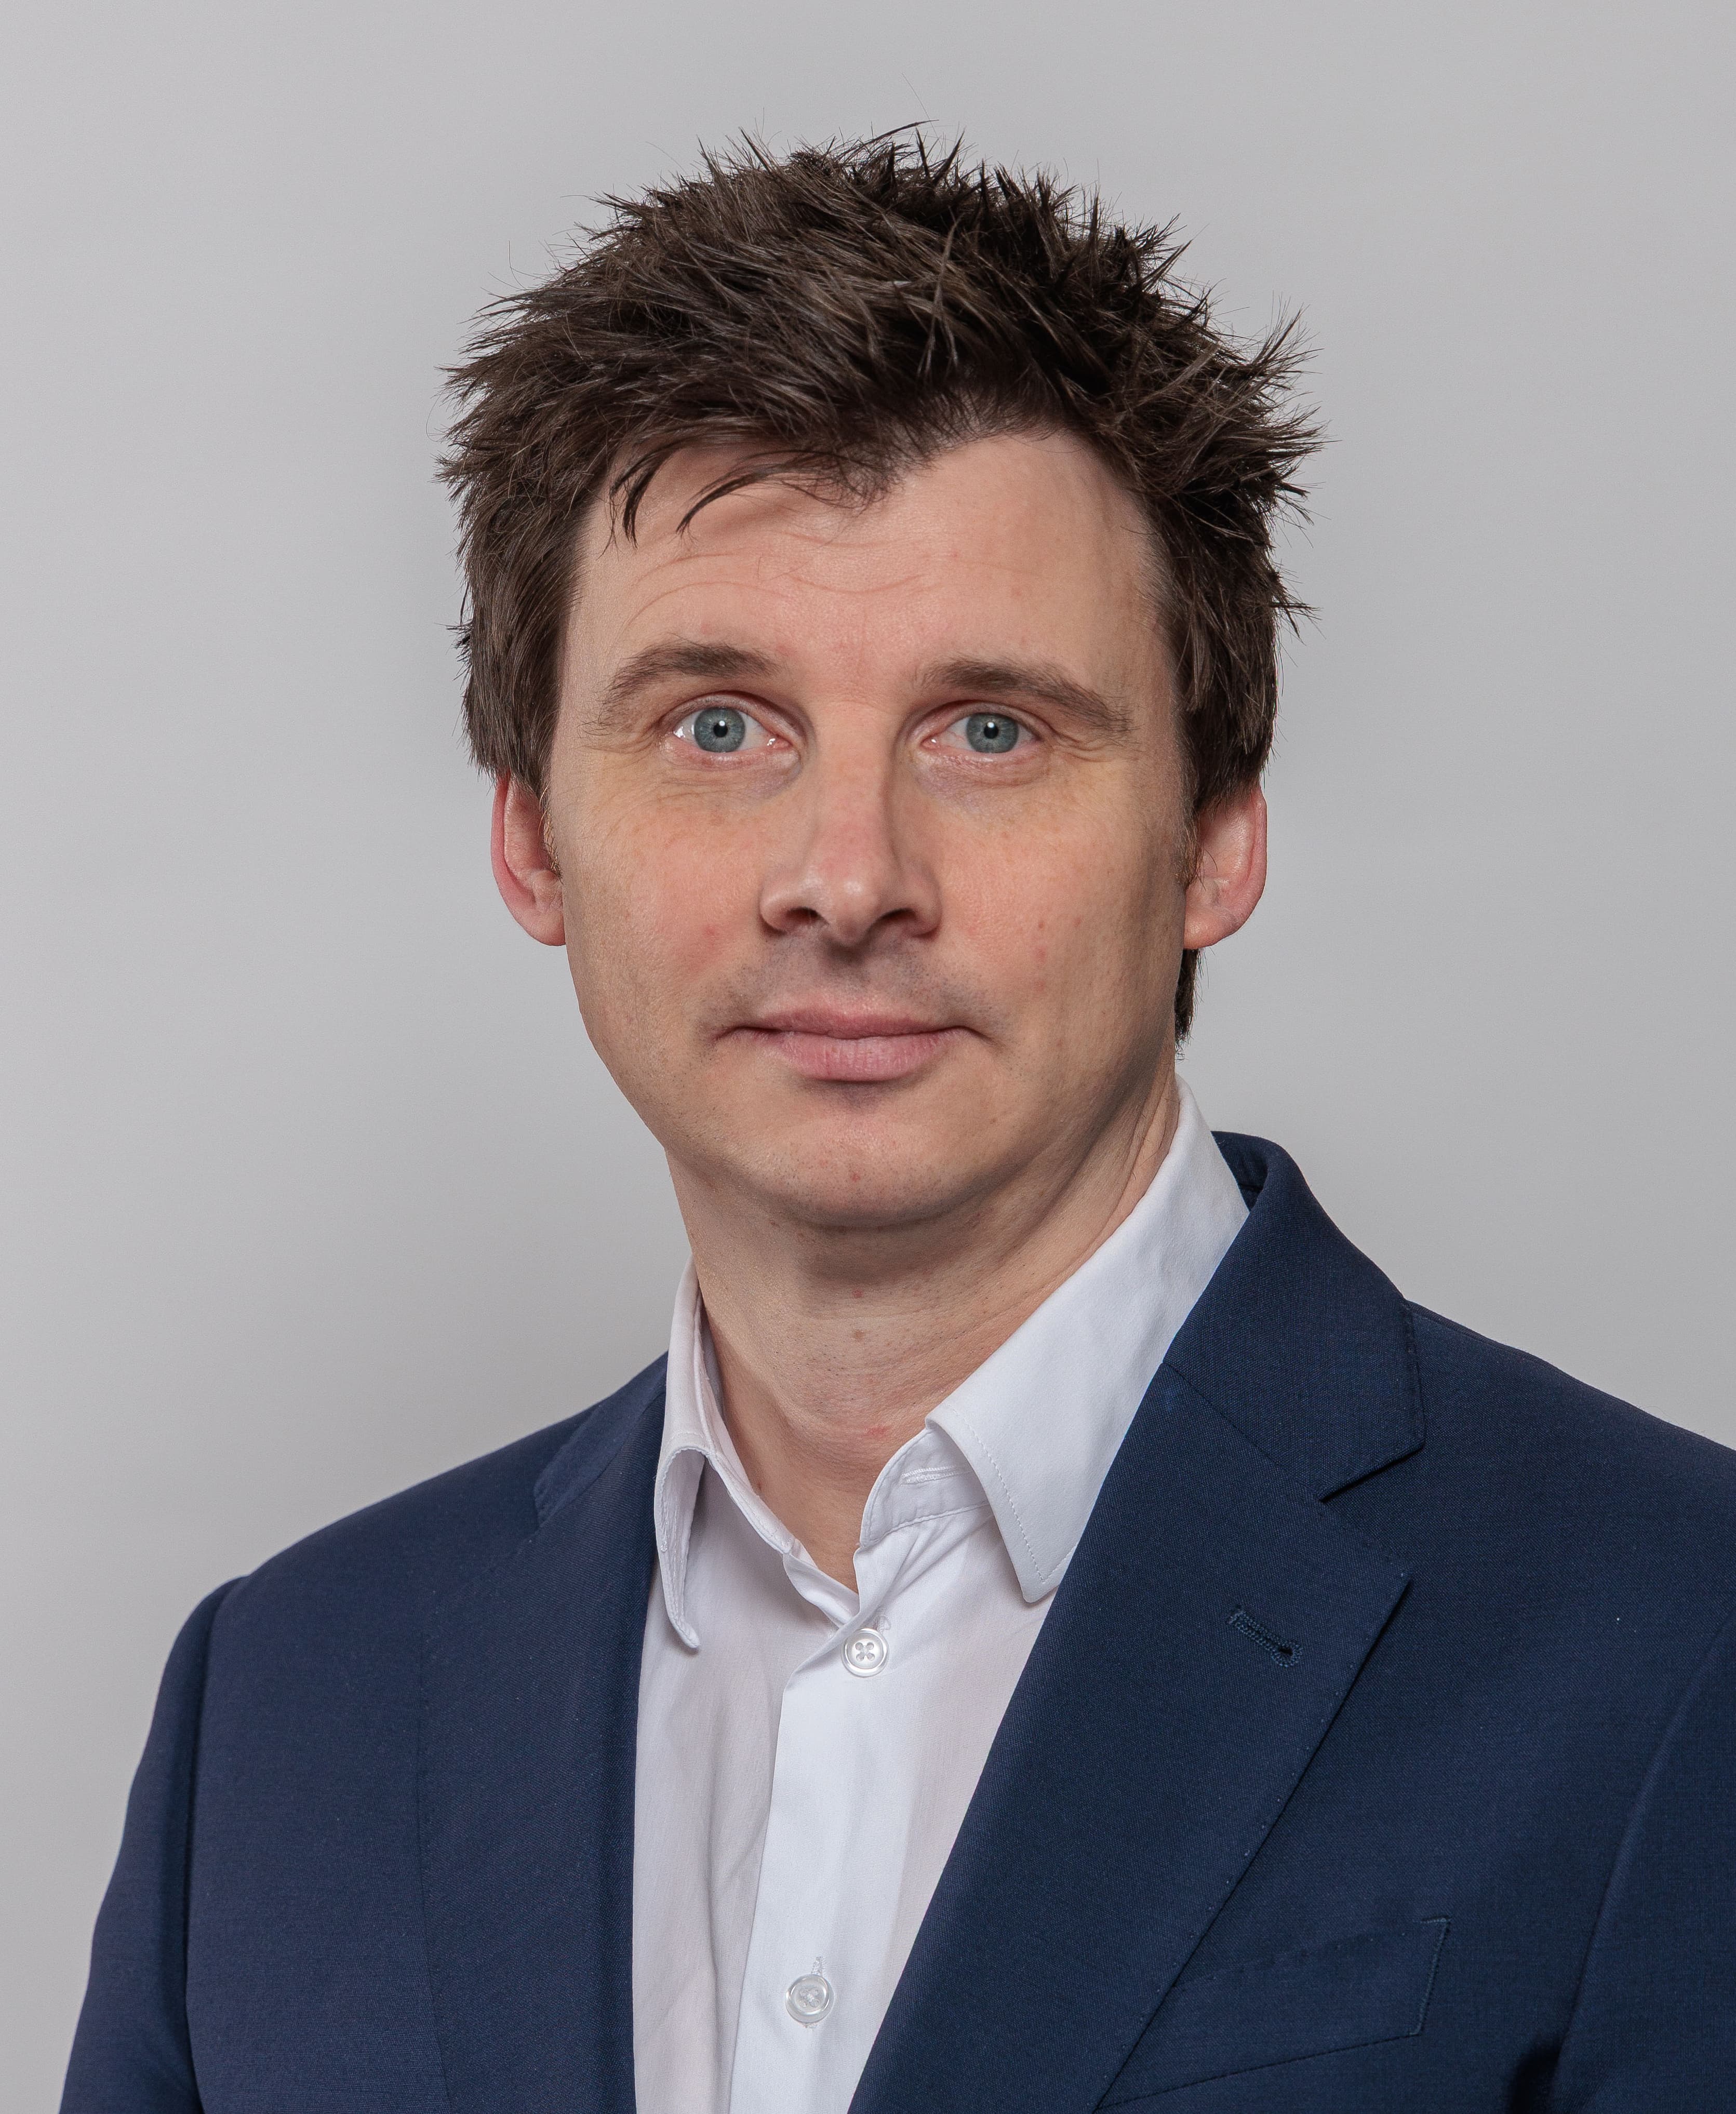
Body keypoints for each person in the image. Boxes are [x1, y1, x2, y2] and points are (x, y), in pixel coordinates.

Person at [62, 137, 1735, 2114]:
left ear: (1215, 838)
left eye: (992, 731)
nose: (846, 878)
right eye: (718, 725)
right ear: (530, 836)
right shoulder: (286, 1704)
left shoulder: (1679, 1647)